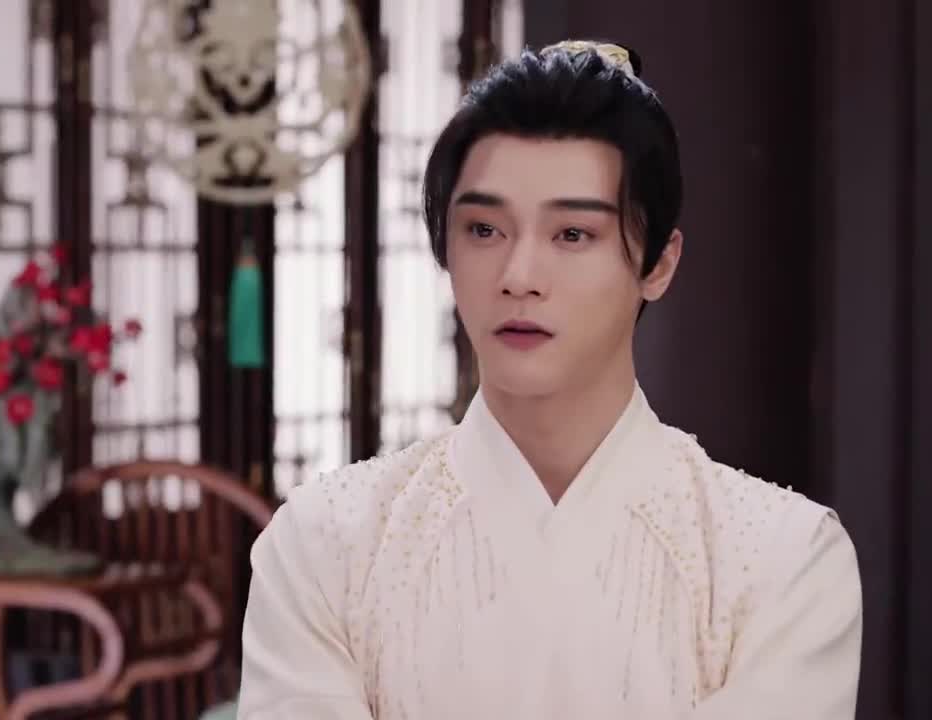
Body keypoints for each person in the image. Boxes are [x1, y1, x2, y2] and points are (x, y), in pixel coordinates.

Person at [236, 39, 862, 719]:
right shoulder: (325, 544)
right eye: (484, 229)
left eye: (572, 234)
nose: (519, 277)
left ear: (658, 263)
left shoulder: (781, 560)